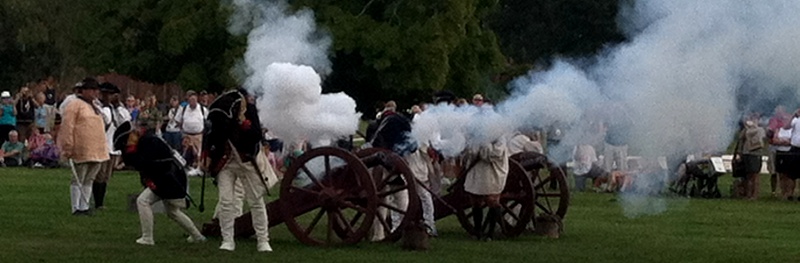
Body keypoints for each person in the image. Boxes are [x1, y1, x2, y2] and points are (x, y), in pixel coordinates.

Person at [205, 89, 275, 252]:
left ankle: (263, 240)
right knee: (226, 202)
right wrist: (208, 155)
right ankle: (227, 240)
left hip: (246, 160)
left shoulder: (249, 111)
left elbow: (256, 135)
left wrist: (244, 124)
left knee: (256, 201)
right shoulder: (219, 114)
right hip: (226, 162)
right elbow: (213, 136)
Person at [58, 78, 110, 215]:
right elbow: (68, 126)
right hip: (81, 147)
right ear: (84, 91)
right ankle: (76, 207)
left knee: (90, 178)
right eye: (92, 90)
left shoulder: (96, 106)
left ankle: (84, 205)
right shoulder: (74, 104)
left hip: (96, 148)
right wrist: (68, 145)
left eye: (96, 90)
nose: (95, 93)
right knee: (78, 177)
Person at [463, 138, 509, 241]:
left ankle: (490, 234)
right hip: (476, 171)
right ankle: (477, 231)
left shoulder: (499, 138)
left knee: (492, 201)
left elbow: (494, 154)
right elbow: (470, 151)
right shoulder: (476, 135)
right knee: (476, 201)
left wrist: (483, 146)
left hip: (491, 172)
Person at [94, 83, 131, 210]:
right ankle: (97, 202)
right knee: (99, 174)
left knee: (106, 176)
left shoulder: (117, 108)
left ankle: (101, 202)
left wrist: (117, 106)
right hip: (101, 144)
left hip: (112, 145)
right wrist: (106, 106)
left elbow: (125, 121)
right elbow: (105, 121)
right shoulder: (98, 107)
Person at [174, 91, 207, 170]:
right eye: (191, 100)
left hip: (198, 135)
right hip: (187, 135)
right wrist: (182, 128)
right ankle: (186, 167)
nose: (192, 102)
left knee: (198, 153)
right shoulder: (183, 109)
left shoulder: (203, 110)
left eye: (194, 100)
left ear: (197, 100)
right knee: (186, 153)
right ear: (188, 101)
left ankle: (198, 168)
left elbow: (207, 121)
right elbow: (177, 120)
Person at [740, 120, 765, 200]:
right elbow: (741, 137)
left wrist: (753, 126)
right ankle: (748, 194)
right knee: (748, 175)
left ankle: (755, 195)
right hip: (746, 152)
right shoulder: (746, 130)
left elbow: (762, 138)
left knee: (755, 175)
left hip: (755, 153)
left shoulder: (760, 129)